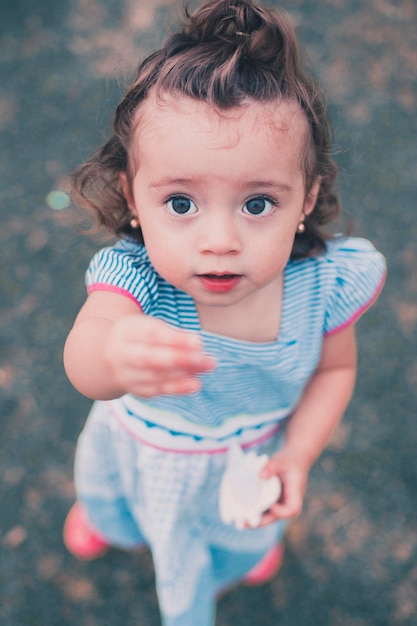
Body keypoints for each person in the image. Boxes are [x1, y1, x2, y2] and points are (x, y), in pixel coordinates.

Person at [62, 0, 386, 624]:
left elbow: (334, 372)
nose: (219, 240)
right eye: (181, 203)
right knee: (115, 502)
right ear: (134, 198)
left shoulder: (327, 284)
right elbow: (87, 356)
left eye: (258, 203)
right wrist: (111, 355)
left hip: (250, 461)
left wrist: (295, 458)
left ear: (306, 198)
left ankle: (235, 554)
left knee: (244, 536)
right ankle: (109, 520)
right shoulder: (135, 280)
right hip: (146, 454)